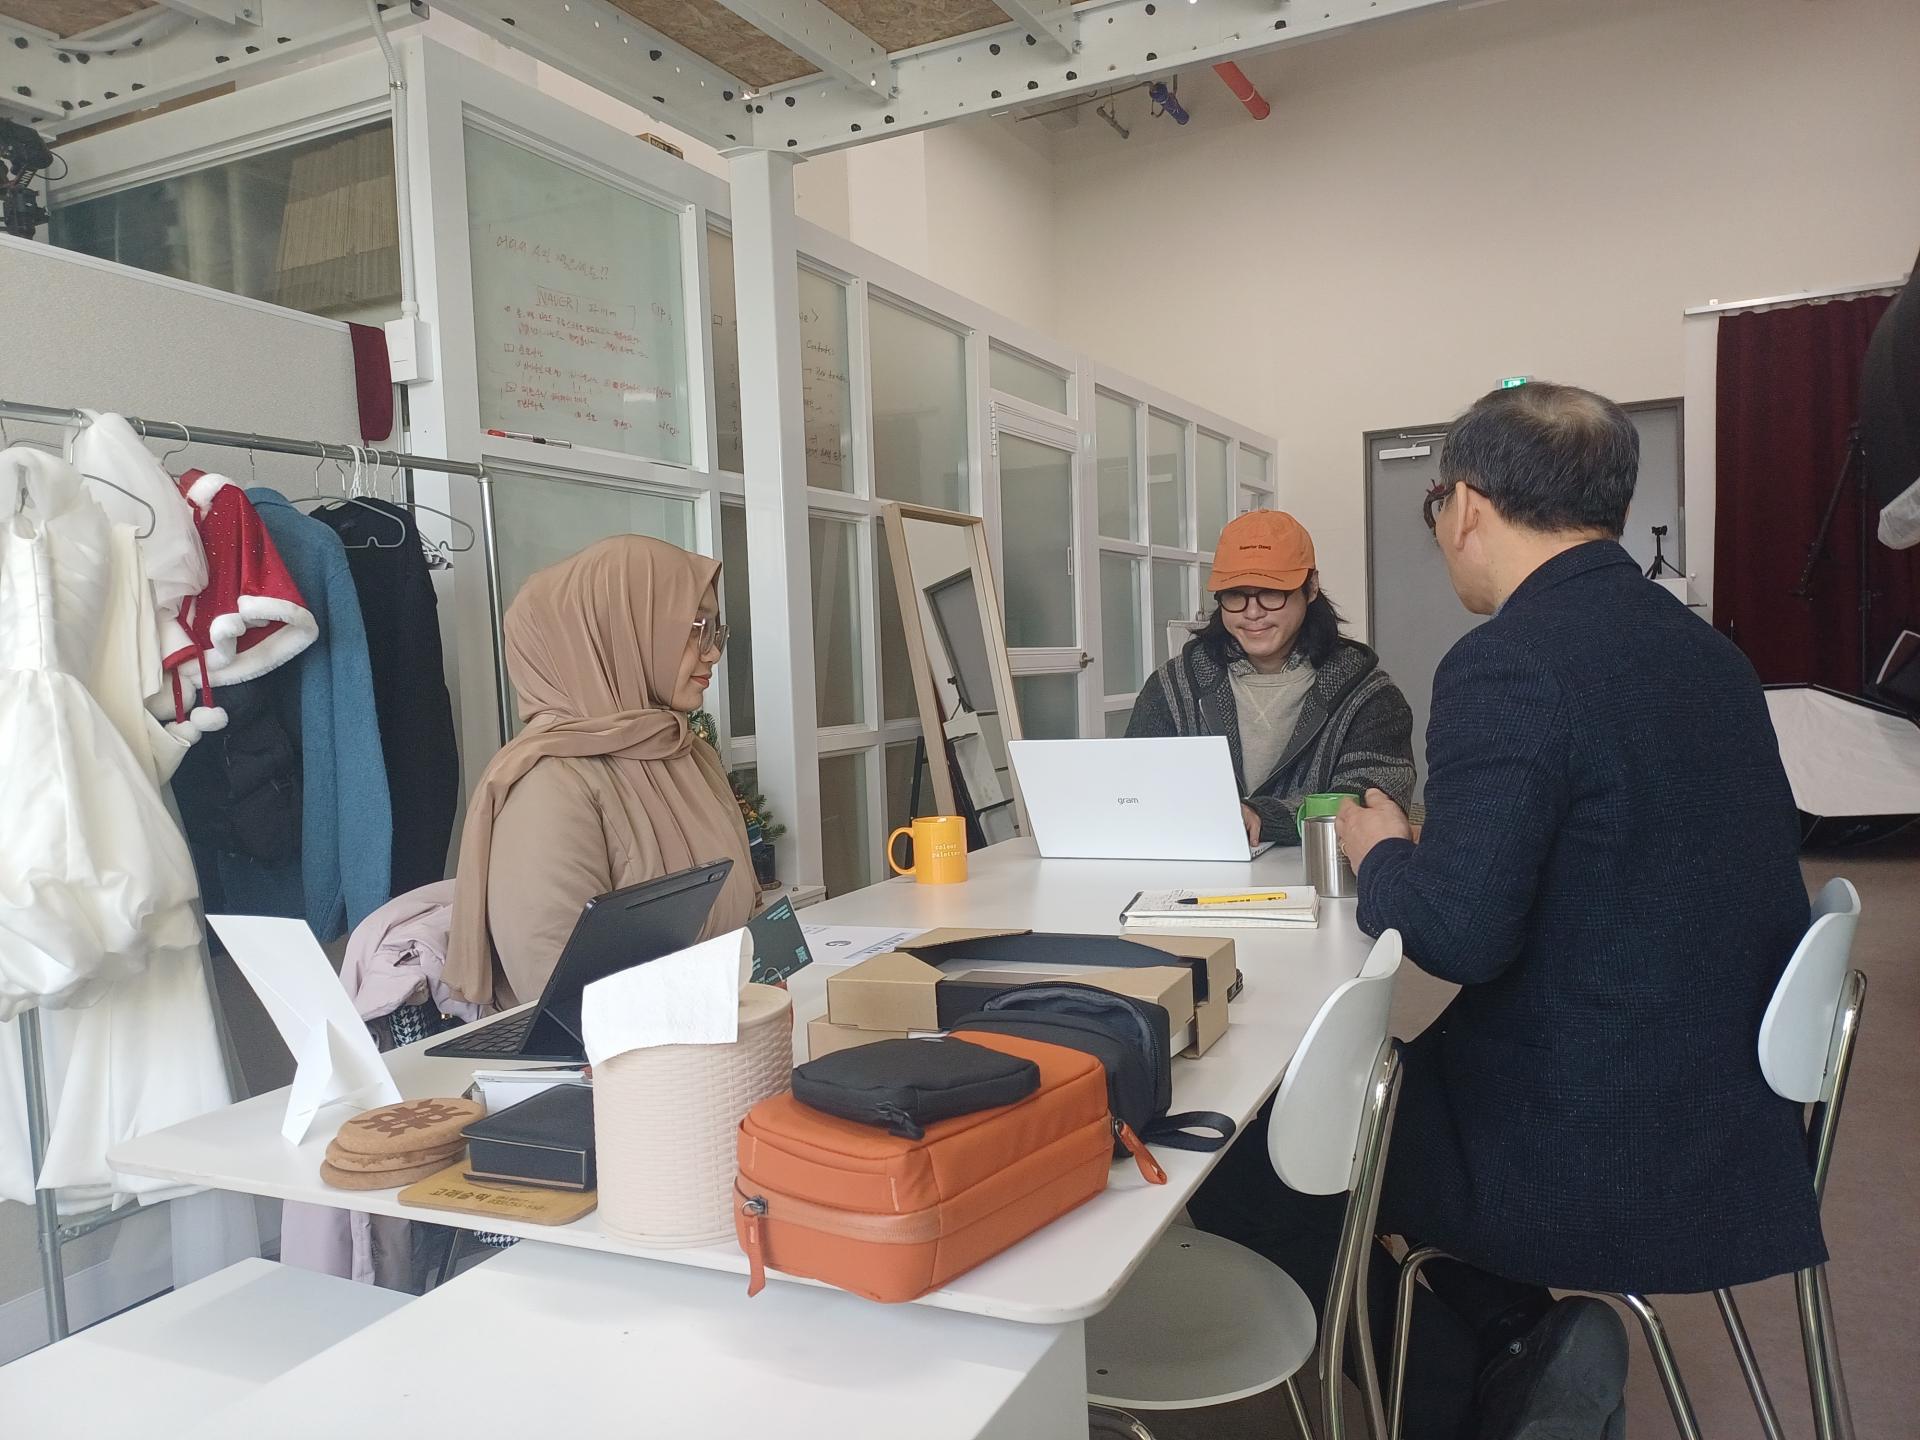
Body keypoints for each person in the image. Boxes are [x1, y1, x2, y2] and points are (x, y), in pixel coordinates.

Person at [1316, 383, 1823, 1438]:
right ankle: (1522, 1343)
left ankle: (1482, 1396)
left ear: (1464, 505)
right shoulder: (1711, 654)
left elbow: (1458, 935)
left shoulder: (1508, 661)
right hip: (1730, 1106)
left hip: (1594, 1129)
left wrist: (1382, 852)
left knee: (1282, 1142)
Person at [443, 535, 757, 1010]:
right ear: (617, 635)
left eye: (715, 629)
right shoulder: (548, 787)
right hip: (635, 1052)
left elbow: (743, 916)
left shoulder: (687, 755)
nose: (713, 652)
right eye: (697, 627)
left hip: (732, 1028)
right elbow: (568, 1002)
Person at [1126, 509, 1415, 845]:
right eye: (1236, 594)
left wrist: (1264, 817)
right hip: (1198, 871)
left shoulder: (1368, 695)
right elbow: (1134, 788)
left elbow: (1373, 803)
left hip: (1320, 873)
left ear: (1311, 588)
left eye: (1272, 592)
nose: (1253, 612)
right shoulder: (1174, 687)